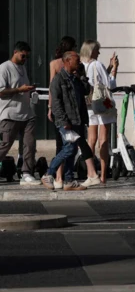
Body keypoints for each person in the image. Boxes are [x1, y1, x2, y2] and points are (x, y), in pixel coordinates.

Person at [43, 52, 94, 192]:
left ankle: (69, 180)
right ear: (67, 61)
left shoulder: (76, 78)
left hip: (77, 119)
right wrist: (64, 120)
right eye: (77, 61)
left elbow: (86, 91)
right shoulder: (58, 80)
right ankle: (48, 174)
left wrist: (83, 75)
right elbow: (56, 103)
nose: (79, 63)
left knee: (72, 151)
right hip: (65, 121)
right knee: (69, 148)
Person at [79, 40, 117, 186]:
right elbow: (109, 84)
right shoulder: (97, 64)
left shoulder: (83, 65)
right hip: (102, 104)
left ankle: (91, 173)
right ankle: (103, 175)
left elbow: (96, 80)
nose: (99, 53)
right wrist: (114, 69)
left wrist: (108, 66)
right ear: (92, 51)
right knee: (103, 140)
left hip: (89, 104)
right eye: (97, 50)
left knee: (91, 139)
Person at [0, 41, 38, 185]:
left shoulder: (22, 68)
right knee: (5, 145)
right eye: (23, 56)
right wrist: (19, 90)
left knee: (29, 144)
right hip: (10, 113)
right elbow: (1, 92)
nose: (25, 59)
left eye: (27, 57)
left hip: (27, 113)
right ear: (16, 52)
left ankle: (26, 173)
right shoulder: (4, 68)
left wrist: (29, 90)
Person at [48, 36, 76, 186]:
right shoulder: (69, 64)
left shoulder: (54, 63)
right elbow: (54, 86)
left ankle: (59, 177)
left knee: (61, 143)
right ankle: (60, 176)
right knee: (68, 143)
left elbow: (51, 88)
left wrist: (50, 107)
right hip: (67, 108)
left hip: (58, 107)